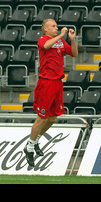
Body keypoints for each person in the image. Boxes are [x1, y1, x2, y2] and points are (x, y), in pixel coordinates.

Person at [23, 19, 78, 167]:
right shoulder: (43, 39)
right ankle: (29, 148)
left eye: (56, 26)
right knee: (41, 118)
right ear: (46, 29)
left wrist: (72, 40)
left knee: (53, 118)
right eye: (53, 26)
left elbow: (74, 54)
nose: (56, 28)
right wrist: (61, 35)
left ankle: (35, 141)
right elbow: (47, 45)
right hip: (46, 82)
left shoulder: (60, 42)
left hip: (57, 82)